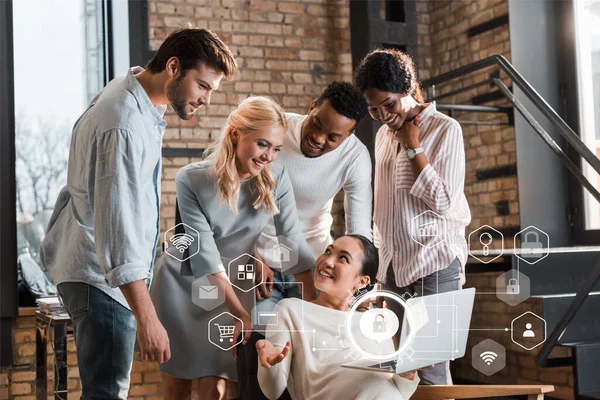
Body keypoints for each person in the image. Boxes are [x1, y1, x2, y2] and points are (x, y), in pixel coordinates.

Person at [40, 28, 237, 399]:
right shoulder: (125, 124)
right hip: (100, 278)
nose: (207, 100)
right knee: (107, 393)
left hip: (89, 266)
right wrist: (148, 318)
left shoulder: (134, 95)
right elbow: (120, 227)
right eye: (203, 86)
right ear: (174, 67)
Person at [150, 96, 317, 400]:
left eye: (276, 148)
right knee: (177, 391)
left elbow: (292, 241)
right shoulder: (192, 178)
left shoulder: (277, 178)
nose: (269, 156)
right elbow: (204, 252)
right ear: (236, 134)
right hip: (184, 284)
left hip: (234, 282)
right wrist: (240, 312)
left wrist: (317, 304)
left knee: (215, 390)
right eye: (263, 144)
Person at [353, 48, 471, 385]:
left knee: (430, 368)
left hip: (435, 262)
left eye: (389, 104)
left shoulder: (446, 130)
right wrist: (378, 270)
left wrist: (413, 147)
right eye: (374, 109)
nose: (383, 115)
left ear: (407, 87)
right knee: (399, 367)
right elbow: (385, 207)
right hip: (394, 267)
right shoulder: (381, 135)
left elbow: (445, 203)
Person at [255, 82, 372, 316]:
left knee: (313, 340)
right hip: (260, 261)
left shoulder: (354, 157)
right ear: (312, 107)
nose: (318, 138)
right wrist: (250, 254)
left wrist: (358, 292)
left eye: (332, 137)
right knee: (261, 337)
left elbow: (359, 231)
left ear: (349, 136)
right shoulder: (275, 131)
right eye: (316, 123)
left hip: (313, 264)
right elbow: (233, 199)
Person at [256, 235, 420, 400]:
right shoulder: (291, 310)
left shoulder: (376, 322)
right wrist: (270, 364)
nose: (327, 261)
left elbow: (399, 391)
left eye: (343, 258)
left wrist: (409, 371)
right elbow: (273, 391)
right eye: (328, 251)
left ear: (362, 281)